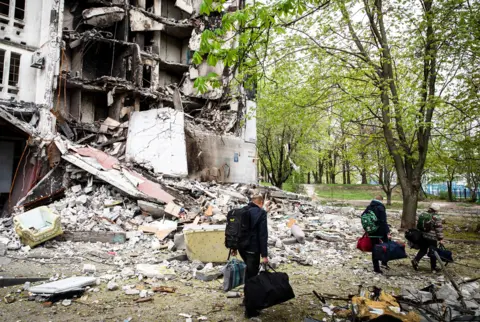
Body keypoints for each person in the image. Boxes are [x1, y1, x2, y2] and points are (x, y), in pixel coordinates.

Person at [231, 194, 269, 318]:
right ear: (261, 202)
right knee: (252, 277)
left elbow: (235, 230)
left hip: (242, 248)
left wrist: (234, 247)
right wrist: (264, 255)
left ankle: (246, 299)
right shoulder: (261, 213)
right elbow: (263, 235)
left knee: (249, 273)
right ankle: (250, 310)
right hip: (253, 249)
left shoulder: (242, 211)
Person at [412, 203, 443, 272]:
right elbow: (439, 229)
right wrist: (440, 239)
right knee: (433, 251)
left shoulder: (423, 214)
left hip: (422, 235)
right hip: (432, 237)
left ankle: (415, 260)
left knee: (423, 249)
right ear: (436, 210)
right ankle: (433, 267)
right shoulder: (436, 217)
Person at [364, 195, 390, 274]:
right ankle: (384, 262)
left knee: (374, 248)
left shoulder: (369, 207)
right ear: (381, 200)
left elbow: (364, 217)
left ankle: (376, 267)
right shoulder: (381, 207)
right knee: (386, 245)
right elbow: (383, 221)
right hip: (380, 231)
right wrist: (387, 231)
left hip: (371, 231)